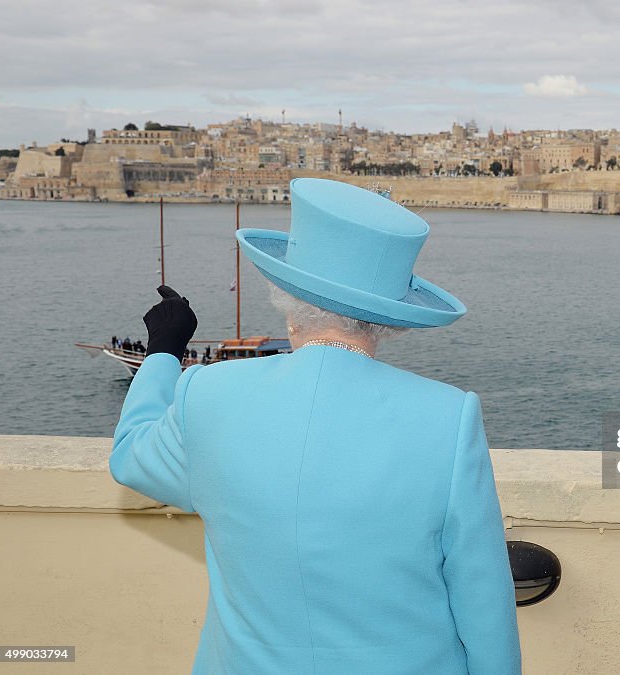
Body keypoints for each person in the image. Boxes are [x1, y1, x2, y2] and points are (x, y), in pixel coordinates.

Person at [110, 178, 521, 674]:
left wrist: (163, 353)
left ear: (286, 299)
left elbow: (132, 456)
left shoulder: (209, 394)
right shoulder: (448, 416)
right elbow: (482, 598)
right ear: (391, 318)